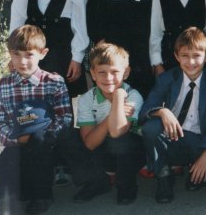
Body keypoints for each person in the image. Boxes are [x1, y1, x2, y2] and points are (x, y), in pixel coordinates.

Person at [140, 27, 206, 203]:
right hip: (172, 138)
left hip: (199, 141)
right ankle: (164, 176)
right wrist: (162, 111)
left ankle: (195, 172)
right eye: (185, 56)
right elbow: (145, 110)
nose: (191, 62)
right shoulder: (167, 78)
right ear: (177, 56)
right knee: (151, 127)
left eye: (196, 56)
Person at [0, 25, 73, 215]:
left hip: (45, 144)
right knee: (7, 189)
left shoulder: (54, 82)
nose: (22, 61)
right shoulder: (3, 85)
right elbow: (1, 122)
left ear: (42, 53)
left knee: (38, 142)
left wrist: (45, 135)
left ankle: (42, 196)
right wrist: (17, 137)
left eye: (29, 54)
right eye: (16, 54)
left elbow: (64, 117)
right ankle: (23, 188)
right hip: (16, 142)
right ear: (9, 54)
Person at [59, 42, 144, 205]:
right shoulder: (86, 99)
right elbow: (90, 143)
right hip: (100, 144)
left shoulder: (133, 95)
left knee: (118, 141)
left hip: (130, 149)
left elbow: (117, 132)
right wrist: (114, 112)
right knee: (67, 136)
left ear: (126, 73)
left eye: (115, 72)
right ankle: (97, 182)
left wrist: (118, 96)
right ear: (93, 73)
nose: (108, 78)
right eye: (102, 72)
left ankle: (126, 186)